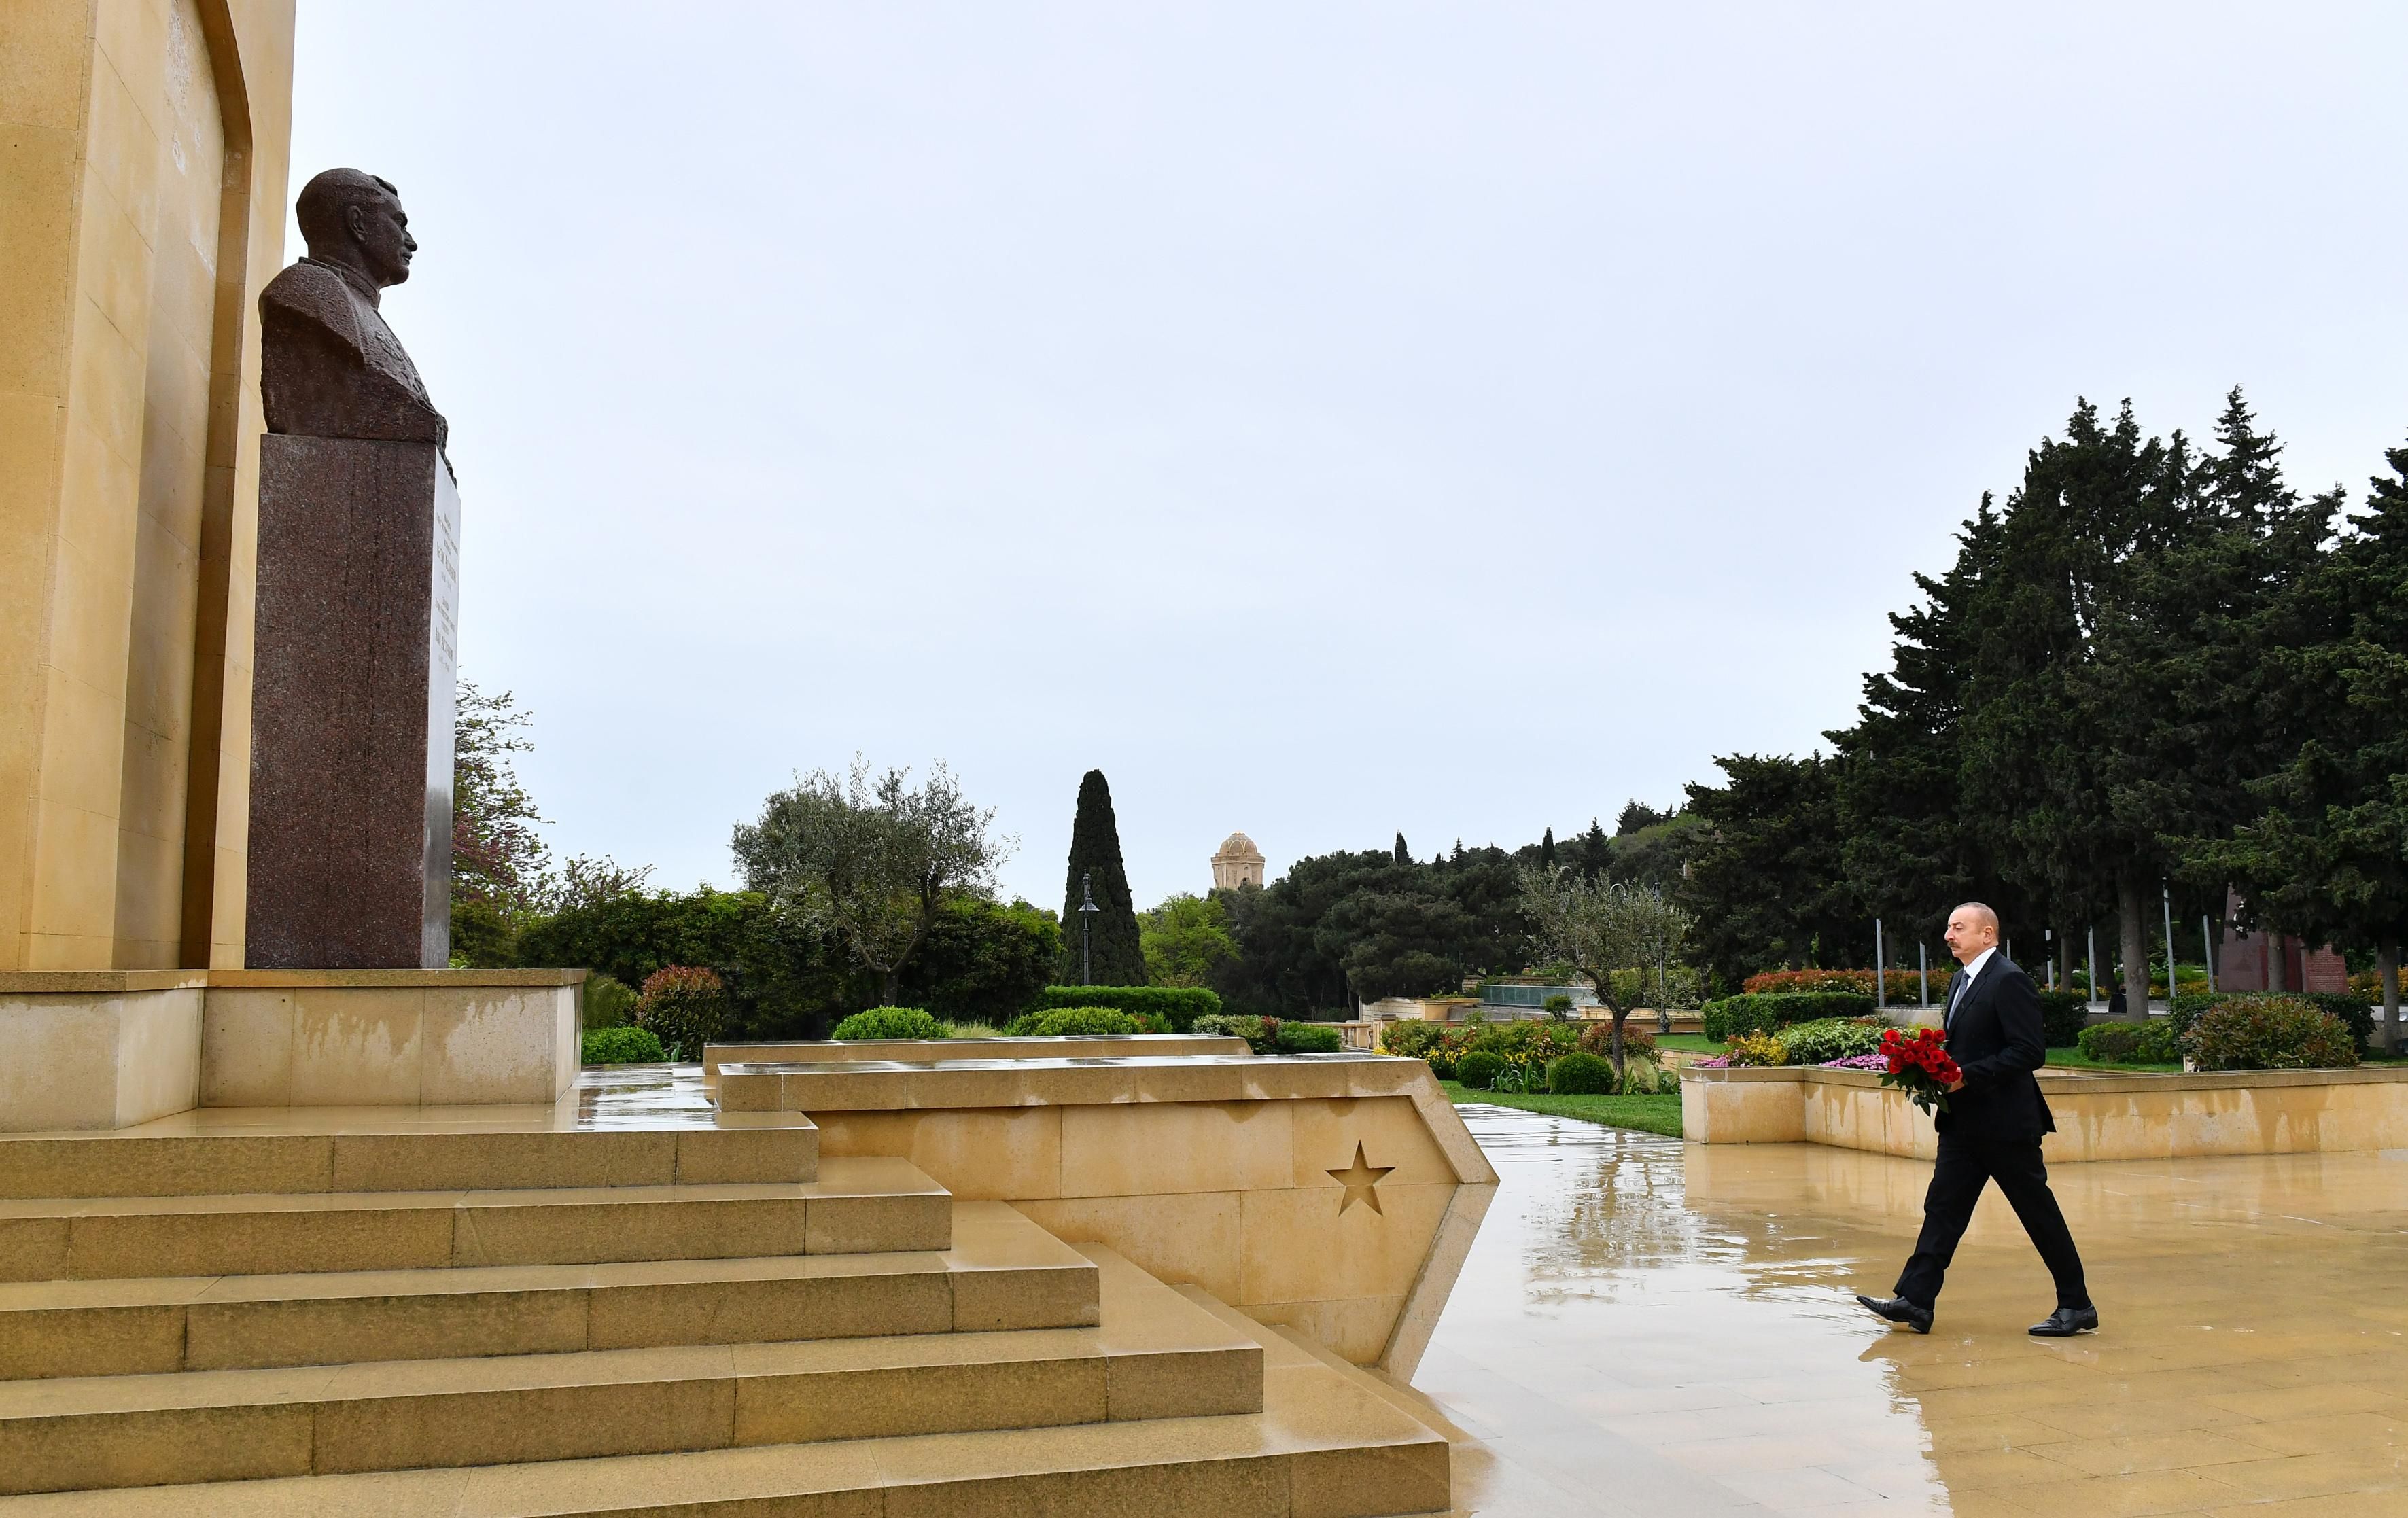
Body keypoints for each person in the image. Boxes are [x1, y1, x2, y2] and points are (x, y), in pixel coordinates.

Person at [1857, 903, 2097, 1337]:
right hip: (1963, 1124)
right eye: (1948, 927)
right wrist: (1930, 1068)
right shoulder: (1960, 980)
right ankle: (1916, 1301)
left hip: (2006, 1125)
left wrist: (1967, 1076)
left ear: (1988, 934)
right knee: (1942, 1210)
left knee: (2038, 1214)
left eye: (1958, 928)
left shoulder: (2009, 979)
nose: (1949, 935)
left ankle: (2077, 1306)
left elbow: (2029, 1052)